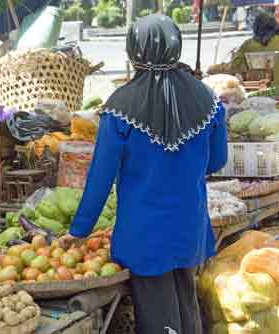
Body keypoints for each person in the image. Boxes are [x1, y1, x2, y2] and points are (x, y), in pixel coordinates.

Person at [60, 15, 228, 334]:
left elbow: (99, 180)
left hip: (144, 234)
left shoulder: (119, 107)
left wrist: (80, 231)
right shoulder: (208, 101)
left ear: (132, 51)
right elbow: (217, 161)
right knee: (185, 304)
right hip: (189, 225)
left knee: (158, 316)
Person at [209, 9, 279, 74]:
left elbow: (233, 67)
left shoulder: (248, 44)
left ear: (255, 27)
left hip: (257, 85)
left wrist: (212, 68)